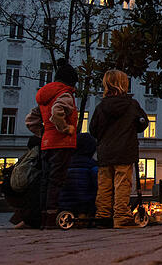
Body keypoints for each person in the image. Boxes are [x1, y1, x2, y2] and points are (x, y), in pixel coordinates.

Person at [91, 69, 148, 229]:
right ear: (124, 84)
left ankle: (103, 216)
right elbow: (142, 123)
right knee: (122, 184)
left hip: (105, 152)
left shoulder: (101, 107)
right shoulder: (131, 105)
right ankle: (121, 216)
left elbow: (93, 130)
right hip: (125, 150)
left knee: (104, 185)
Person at [26, 59, 79, 229]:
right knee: (57, 181)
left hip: (46, 144)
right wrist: (65, 128)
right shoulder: (65, 94)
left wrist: (44, 133)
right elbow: (57, 113)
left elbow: (31, 120)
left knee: (45, 181)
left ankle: (43, 217)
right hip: (61, 144)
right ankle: (51, 218)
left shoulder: (45, 97)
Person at [4, 136, 43, 229]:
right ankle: (27, 220)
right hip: (19, 191)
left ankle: (23, 219)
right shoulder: (37, 154)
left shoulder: (26, 156)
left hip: (11, 190)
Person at [58, 133, 99, 218]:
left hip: (64, 204)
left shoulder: (64, 164)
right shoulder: (92, 165)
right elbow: (98, 185)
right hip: (85, 203)